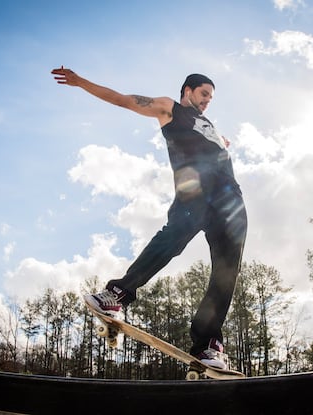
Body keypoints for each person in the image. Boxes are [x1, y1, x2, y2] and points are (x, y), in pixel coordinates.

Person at [51, 67, 247, 370]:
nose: (208, 101)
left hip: (230, 200)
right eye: (204, 94)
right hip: (196, 189)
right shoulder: (171, 108)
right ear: (188, 91)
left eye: (211, 97)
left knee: (226, 271)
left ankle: (207, 345)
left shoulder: (208, 125)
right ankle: (115, 294)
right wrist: (80, 82)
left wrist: (221, 144)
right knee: (173, 238)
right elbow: (122, 100)